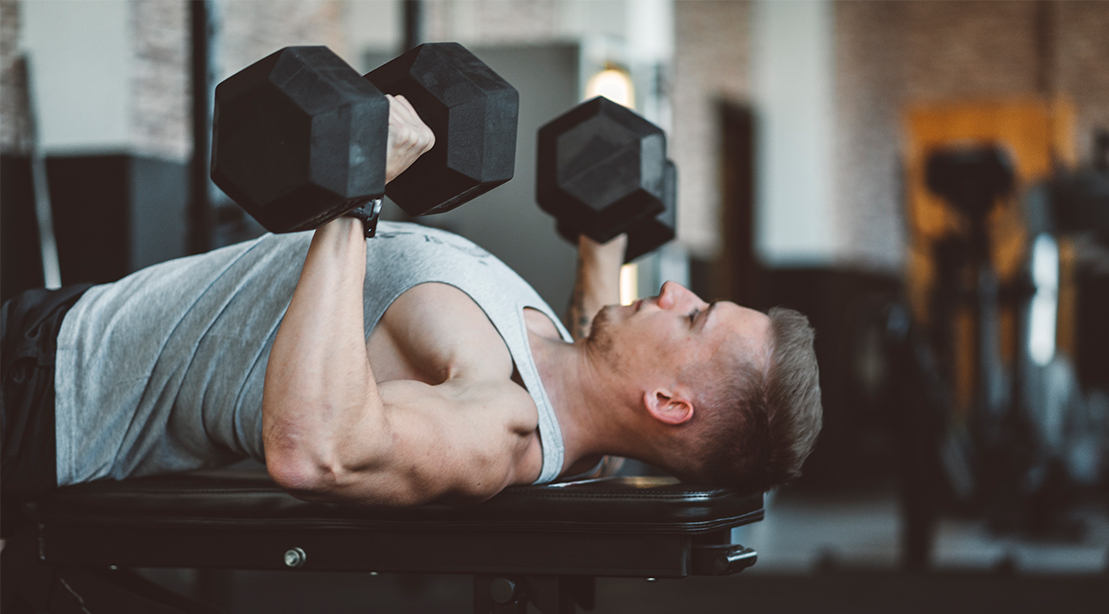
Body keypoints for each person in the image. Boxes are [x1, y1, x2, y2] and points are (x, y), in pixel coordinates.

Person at [1, 95, 821, 514]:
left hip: (52, 396)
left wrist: (355, 195)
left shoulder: (493, 427)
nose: (675, 292)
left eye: (693, 319)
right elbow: (594, 364)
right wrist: (600, 237)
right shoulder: (589, 424)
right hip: (64, 335)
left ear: (670, 403)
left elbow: (315, 451)